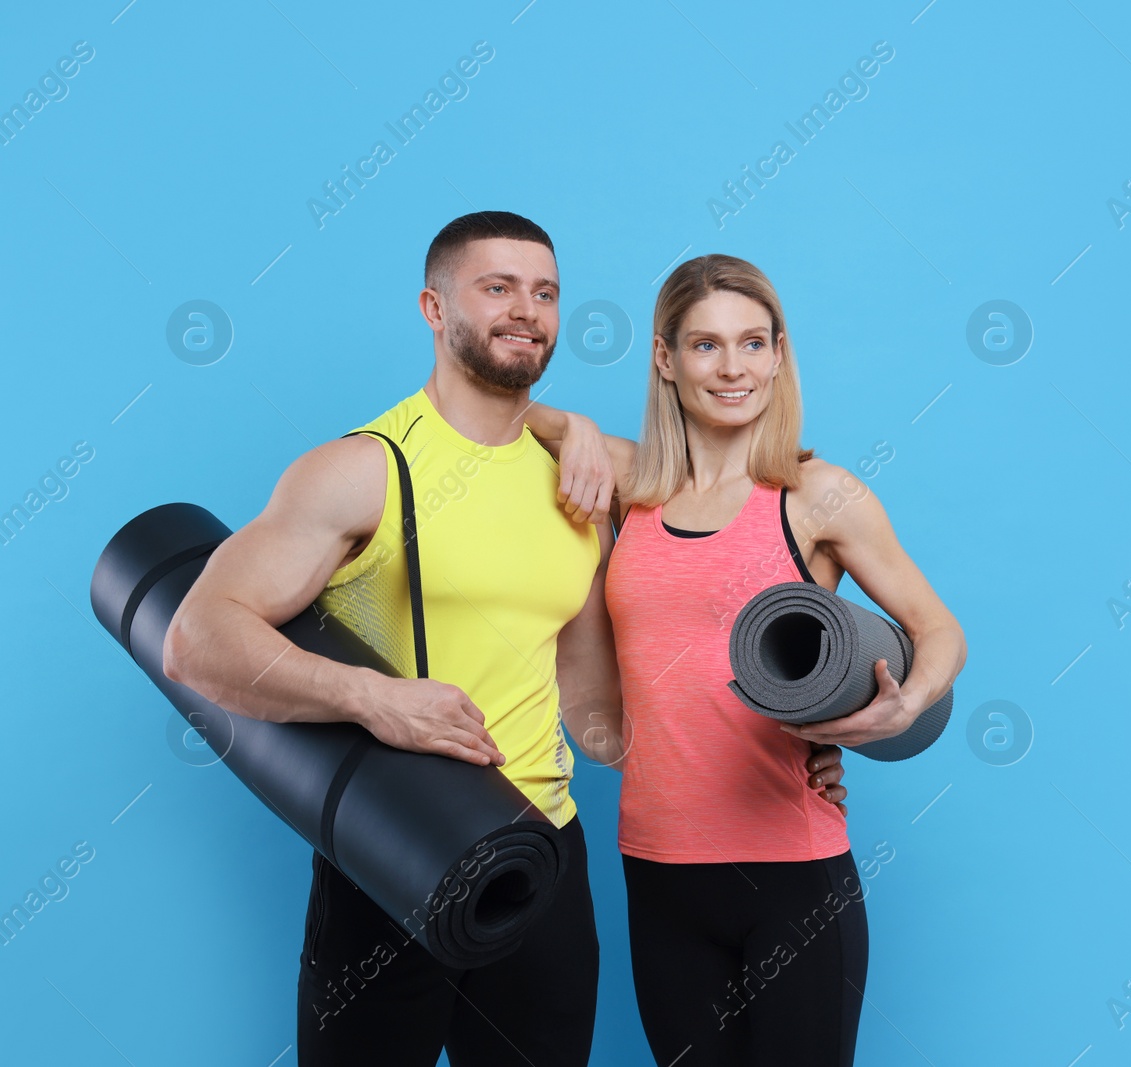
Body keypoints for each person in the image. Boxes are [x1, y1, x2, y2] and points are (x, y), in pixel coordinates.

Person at [161, 214, 848, 1066]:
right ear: (433, 306)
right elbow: (197, 637)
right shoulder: (364, 469)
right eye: (498, 287)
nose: (527, 309)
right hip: (395, 847)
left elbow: (598, 707)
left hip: (542, 850)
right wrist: (372, 699)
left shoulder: (579, 481)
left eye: (546, 292)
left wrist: (789, 739)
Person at [526, 253, 967, 1066]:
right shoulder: (634, 485)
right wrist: (579, 429)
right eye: (705, 346)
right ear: (664, 358)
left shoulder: (818, 495)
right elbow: (512, 415)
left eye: (753, 343)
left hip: (793, 876)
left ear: (778, 352)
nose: (733, 368)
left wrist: (904, 706)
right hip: (657, 870)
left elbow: (939, 630)